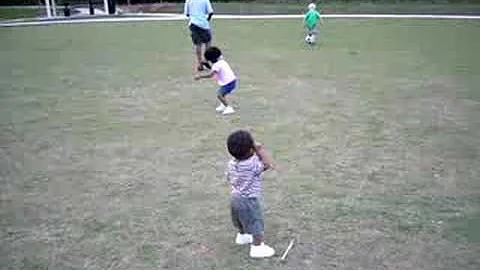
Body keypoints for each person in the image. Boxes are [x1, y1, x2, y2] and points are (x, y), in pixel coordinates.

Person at [225, 130, 276, 258]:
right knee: (256, 223)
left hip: (235, 198)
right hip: (248, 200)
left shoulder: (231, 163)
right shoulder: (252, 164)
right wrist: (260, 149)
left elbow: (228, 177)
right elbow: (267, 164)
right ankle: (257, 248)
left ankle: (242, 236)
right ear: (250, 150)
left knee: (240, 219)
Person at [194, 47, 237, 115]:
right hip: (232, 81)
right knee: (222, 93)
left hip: (228, 83)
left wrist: (200, 77)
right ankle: (223, 105)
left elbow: (211, 75)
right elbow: (214, 68)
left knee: (219, 95)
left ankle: (229, 108)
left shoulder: (216, 65)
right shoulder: (222, 61)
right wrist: (207, 64)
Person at [184, 0, 214, 71]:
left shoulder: (188, 0)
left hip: (193, 24)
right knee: (208, 42)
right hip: (203, 24)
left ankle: (200, 64)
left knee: (198, 44)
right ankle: (206, 60)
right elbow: (211, 12)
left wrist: (194, 16)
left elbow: (187, 14)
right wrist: (207, 20)